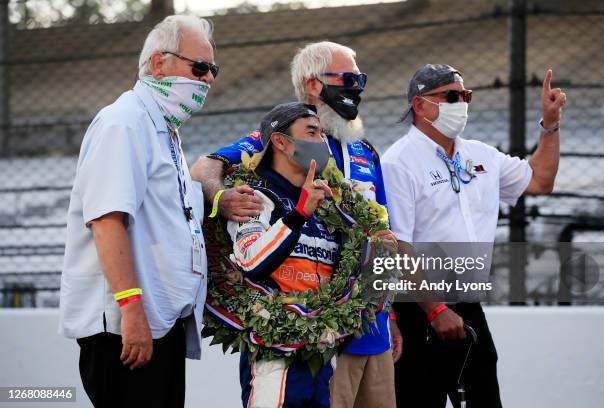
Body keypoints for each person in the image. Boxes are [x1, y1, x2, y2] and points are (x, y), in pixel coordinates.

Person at [191, 41, 401, 408]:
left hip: (372, 328)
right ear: (314, 84)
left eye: (360, 78)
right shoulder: (278, 141)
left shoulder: (364, 151)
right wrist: (222, 198)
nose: (358, 87)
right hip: (314, 338)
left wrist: (389, 313)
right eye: (348, 78)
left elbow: (381, 235)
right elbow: (205, 167)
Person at [382, 64, 566, 408]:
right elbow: (397, 245)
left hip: (467, 306)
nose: (461, 103)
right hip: (419, 309)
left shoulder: (480, 154)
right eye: (450, 96)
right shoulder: (399, 162)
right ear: (419, 106)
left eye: (465, 96)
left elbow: (540, 181)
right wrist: (435, 310)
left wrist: (550, 125)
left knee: (484, 399)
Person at [58, 15, 218, 407]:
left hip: (159, 325)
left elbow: (172, 216)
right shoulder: (124, 122)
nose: (209, 79)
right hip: (126, 328)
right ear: (158, 63)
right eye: (199, 67)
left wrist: (217, 200)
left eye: (213, 70)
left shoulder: (161, 129)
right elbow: (106, 221)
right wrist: (131, 311)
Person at [228, 102, 339, 407]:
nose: (322, 142)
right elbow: (251, 259)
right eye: (312, 132)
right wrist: (299, 213)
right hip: (273, 355)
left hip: (322, 355)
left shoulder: (328, 204)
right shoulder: (254, 196)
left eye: (323, 134)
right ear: (280, 141)